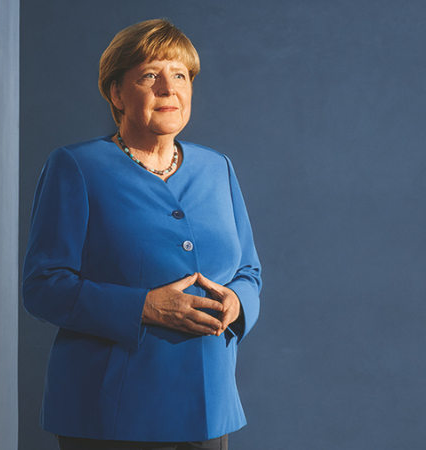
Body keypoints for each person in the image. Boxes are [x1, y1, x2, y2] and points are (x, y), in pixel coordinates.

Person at [22, 19, 261, 450]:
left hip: (208, 408)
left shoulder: (218, 168)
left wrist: (238, 301)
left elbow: (248, 270)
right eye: (150, 75)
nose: (168, 89)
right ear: (116, 93)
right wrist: (145, 308)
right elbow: (43, 287)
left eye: (180, 75)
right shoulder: (77, 167)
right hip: (110, 413)